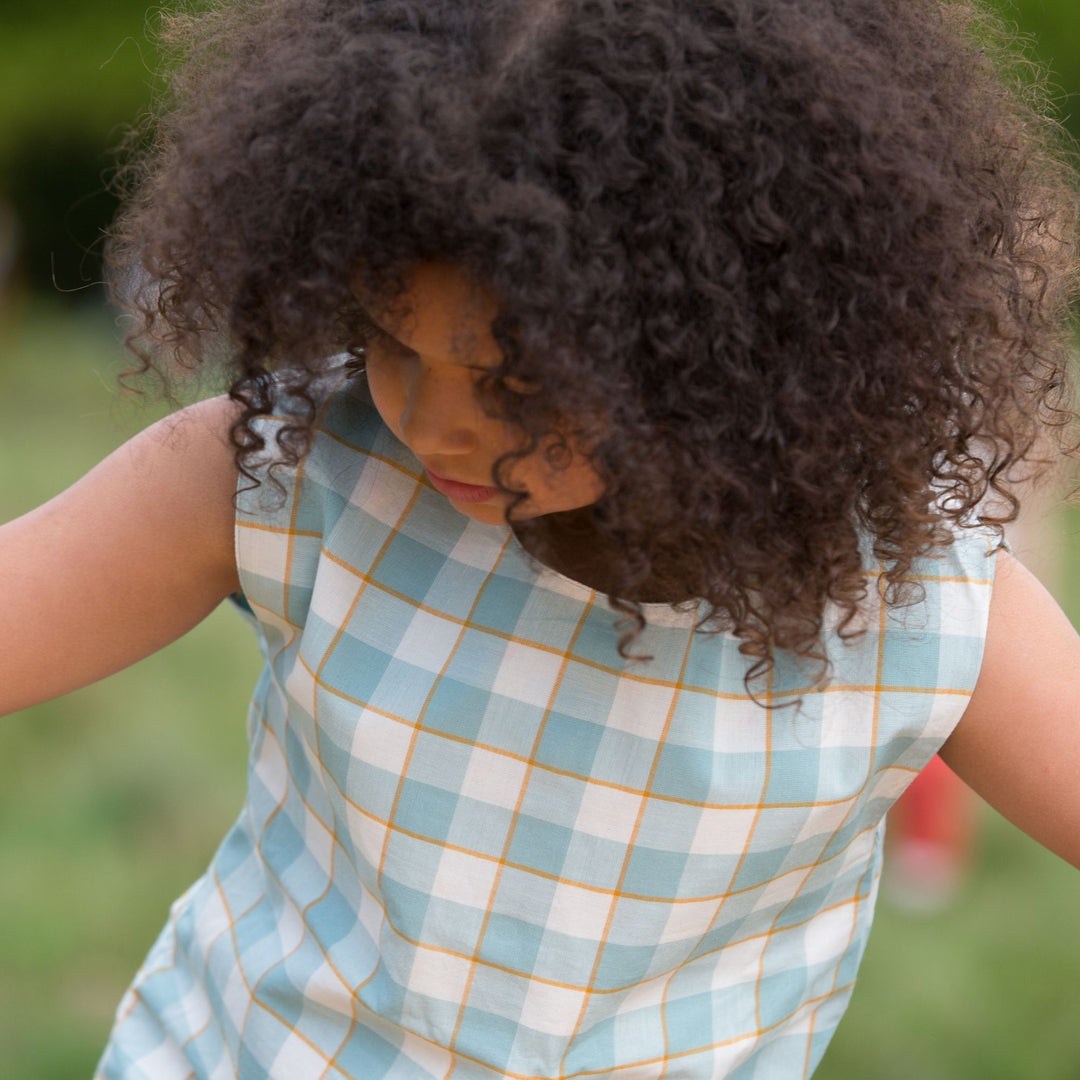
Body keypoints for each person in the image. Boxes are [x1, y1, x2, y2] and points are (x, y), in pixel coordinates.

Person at [3, 0, 1079, 1076]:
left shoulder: (918, 597)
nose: (434, 421)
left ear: (722, 352)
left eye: (518, 379)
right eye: (393, 342)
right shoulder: (297, 466)